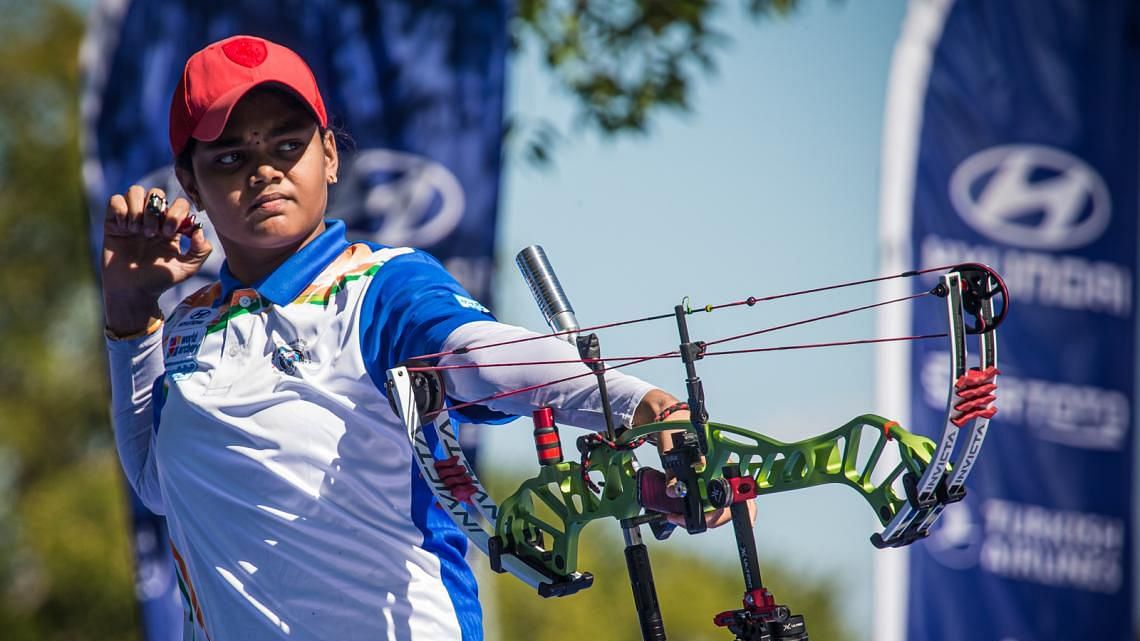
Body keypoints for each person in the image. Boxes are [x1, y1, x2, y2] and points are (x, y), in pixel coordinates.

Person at [103, 35, 728, 641]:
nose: (265, 171)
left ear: (329, 154)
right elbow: (159, 484)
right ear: (190, 182)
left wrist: (637, 402)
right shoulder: (188, 324)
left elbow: (476, 353)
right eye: (231, 157)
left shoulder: (380, 287)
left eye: (288, 146)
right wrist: (131, 319)